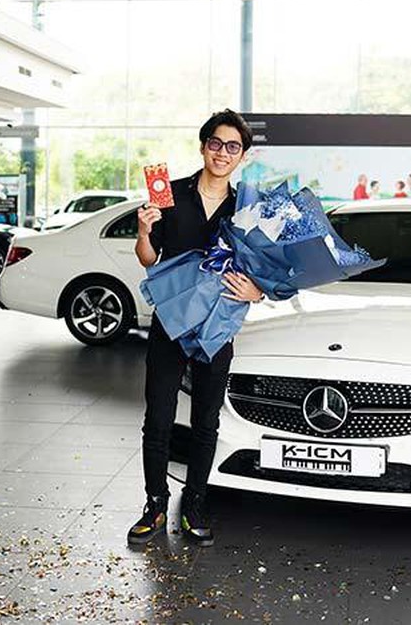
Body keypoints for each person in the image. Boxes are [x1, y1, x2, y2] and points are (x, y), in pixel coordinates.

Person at [130, 109, 264, 548]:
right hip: (172, 321)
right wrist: (144, 232)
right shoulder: (169, 194)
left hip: (216, 326)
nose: (222, 153)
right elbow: (149, 260)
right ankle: (154, 504)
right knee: (158, 416)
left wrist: (257, 291)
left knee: (206, 420)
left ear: (242, 155)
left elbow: (265, 267)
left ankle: (194, 505)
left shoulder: (247, 208)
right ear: (204, 145)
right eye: (216, 143)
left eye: (233, 147)